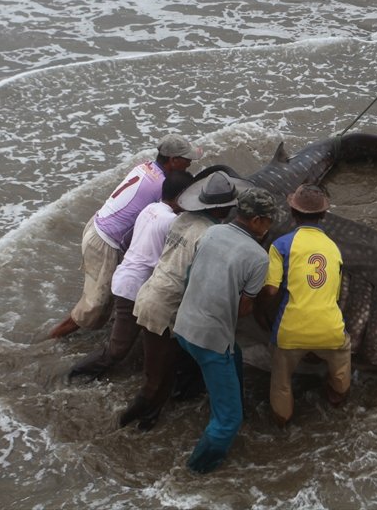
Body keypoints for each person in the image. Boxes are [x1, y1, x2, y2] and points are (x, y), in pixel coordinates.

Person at [123, 170, 253, 430]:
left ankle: (150, 415)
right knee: (156, 378)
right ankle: (128, 423)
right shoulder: (211, 235)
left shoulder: (181, 219)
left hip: (150, 293)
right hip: (166, 307)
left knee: (165, 369)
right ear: (224, 208)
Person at [48, 134, 197, 339]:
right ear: (173, 160)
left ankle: (105, 327)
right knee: (93, 307)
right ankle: (50, 339)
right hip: (105, 241)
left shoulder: (146, 167)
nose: (190, 163)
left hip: (97, 225)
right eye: (186, 159)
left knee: (107, 295)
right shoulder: (161, 186)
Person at [173, 187, 278, 474]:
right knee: (229, 422)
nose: (269, 226)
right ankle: (194, 473)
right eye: (268, 221)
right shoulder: (259, 258)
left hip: (182, 326)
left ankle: (229, 399)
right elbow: (244, 310)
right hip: (210, 340)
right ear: (257, 221)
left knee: (235, 355)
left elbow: (190, 275)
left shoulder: (211, 232)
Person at [67, 170, 195, 381]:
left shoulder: (150, 208)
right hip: (133, 288)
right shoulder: (172, 222)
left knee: (136, 331)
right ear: (181, 196)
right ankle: (75, 373)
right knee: (118, 350)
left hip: (124, 276)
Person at [259, 185, 350, 427]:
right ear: (323, 215)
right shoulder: (334, 248)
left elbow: (271, 289)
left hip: (290, 332)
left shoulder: (280, 245)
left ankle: (282, 419)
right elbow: (335, 293)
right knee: (342, 355)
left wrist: (260, 309)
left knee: (281, 380)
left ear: (292, 212)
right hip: (330, 329)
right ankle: (337, 395)